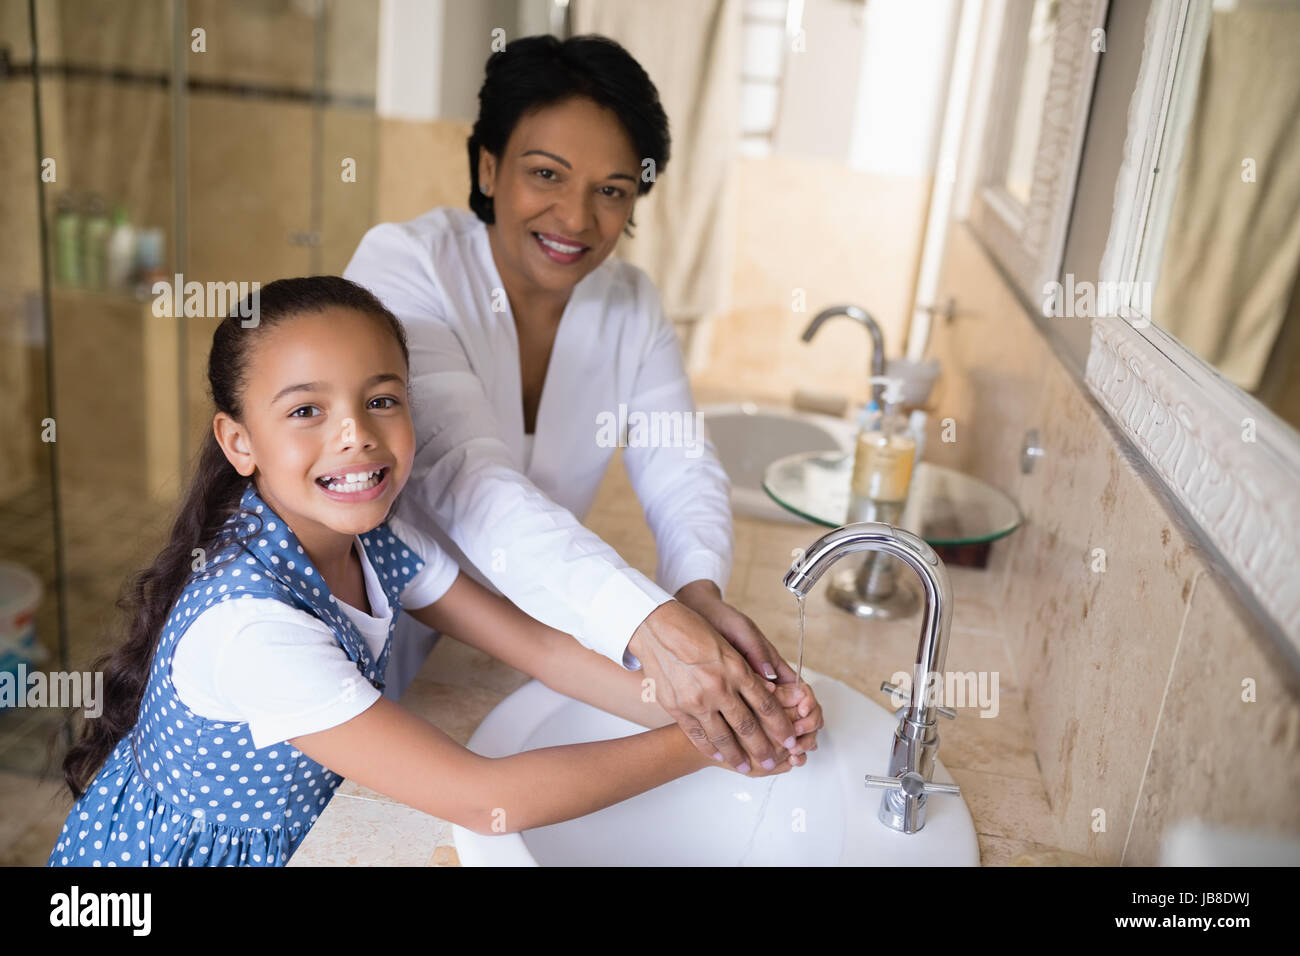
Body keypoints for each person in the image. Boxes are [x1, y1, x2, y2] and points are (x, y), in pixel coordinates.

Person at [47, 276, 820, 867]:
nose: (356, 436)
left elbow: (544, 651)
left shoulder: (380, 538)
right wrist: (711, 742)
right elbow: (485, 801)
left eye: (381, 399)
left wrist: (722, 704)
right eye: (306, 411)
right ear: (238, 440)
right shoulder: (250, 628)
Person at [344, 33, 819, 774]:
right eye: (547, 174)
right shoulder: (407, 267)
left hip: (538, 638)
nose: (575, 217)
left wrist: (695, 590)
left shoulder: (630, 302)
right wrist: (648, 621)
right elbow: (465, 478)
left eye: (612, 190)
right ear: (489, 166)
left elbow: (679, 461)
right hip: (389, 635)